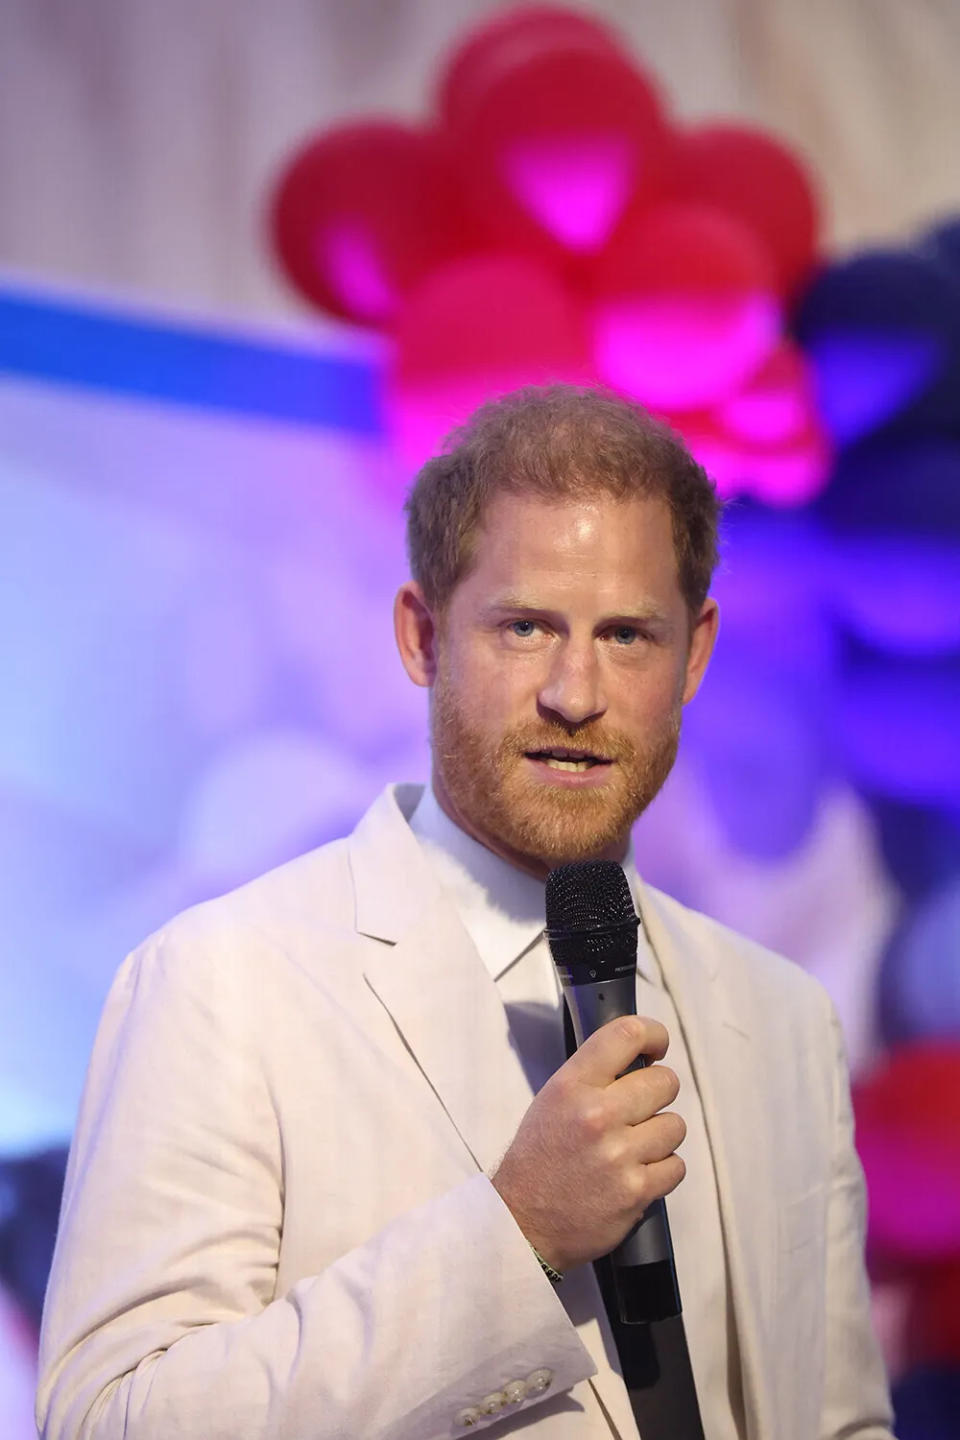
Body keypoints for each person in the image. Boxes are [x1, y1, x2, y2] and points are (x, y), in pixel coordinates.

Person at [36, 386, 894, 1439]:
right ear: (422, 638)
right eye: (525, 627)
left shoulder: (786, 1020)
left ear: (696, 656)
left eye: (628, 636)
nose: (576, 691)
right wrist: (515, 1233)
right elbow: (112, 1422)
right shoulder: (223, 983)